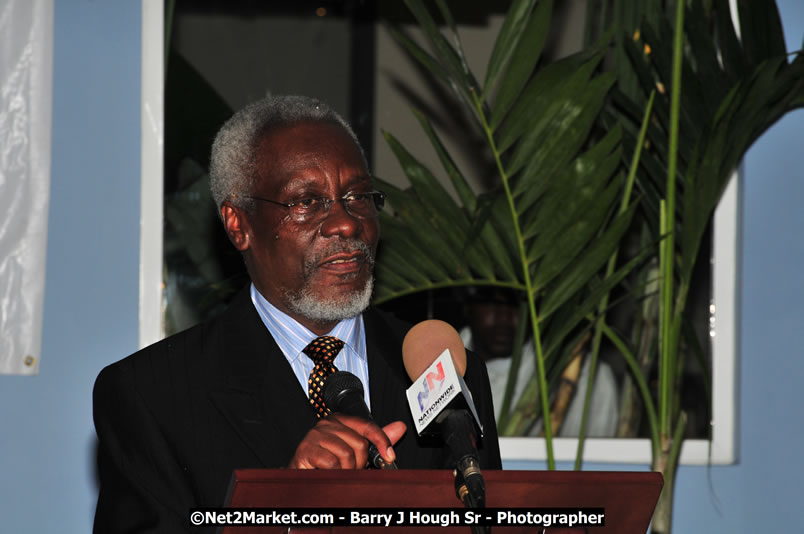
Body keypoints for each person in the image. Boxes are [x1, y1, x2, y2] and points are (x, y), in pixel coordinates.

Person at [92, 95, 501, 533]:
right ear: (238, 224)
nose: (346, 223)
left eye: (357, 195)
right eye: (307, 202)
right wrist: (280, 510)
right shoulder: (153, 395)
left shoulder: (440, 373)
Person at [459, 287, 618, 437]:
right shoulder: (440, 365)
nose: (504, 316)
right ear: (467, 306)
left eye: (516, 303)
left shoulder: (588, 376)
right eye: (492, 302)